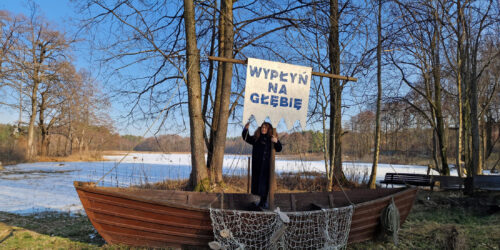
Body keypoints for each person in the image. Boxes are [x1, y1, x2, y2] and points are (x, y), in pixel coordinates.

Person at [242, 122, 282, 208]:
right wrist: (245, 129)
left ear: (268, 129)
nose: (263, 129)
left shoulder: (271, 139)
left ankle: (264, 201)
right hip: (257, 165)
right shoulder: (256, 138)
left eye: (265, 128)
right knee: (257, 185)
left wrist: (276, 142)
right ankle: (261, 202)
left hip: (267, 166)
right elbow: (247, 138)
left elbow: (279, 148)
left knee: (265, 184)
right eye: (262, 128)